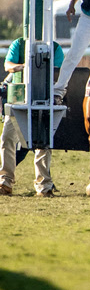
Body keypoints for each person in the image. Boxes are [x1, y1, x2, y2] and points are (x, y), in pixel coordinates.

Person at [1, 36, 65, 197]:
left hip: (44, 98)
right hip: (19, 98)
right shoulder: (18, 44)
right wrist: (24, 67)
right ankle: (5, 182)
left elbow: (57, 73)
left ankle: (44, 185)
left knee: (43, 142)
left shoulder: (55, 48)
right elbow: (8, 65)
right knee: (7, 138)